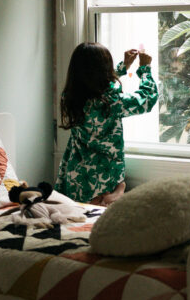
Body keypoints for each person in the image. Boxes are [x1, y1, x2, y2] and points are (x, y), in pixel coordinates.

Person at [55, 42, 158, 206]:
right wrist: (145, 68)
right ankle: (119, 190)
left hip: (74, 173)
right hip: (102, 178)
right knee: (97, 221)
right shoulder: (112, 103)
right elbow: (147, 99)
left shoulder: (70, 97)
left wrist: (123, 67)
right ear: (103, 71)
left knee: (76, 217)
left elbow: (98, 86)